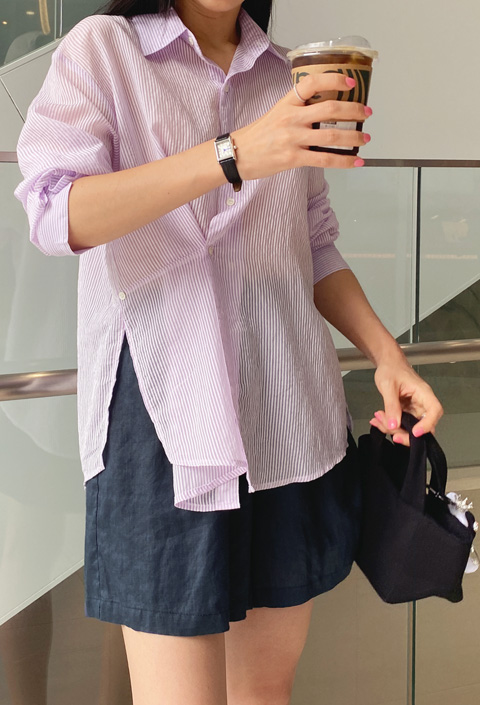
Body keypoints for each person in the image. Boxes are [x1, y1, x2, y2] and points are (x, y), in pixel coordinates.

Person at [14, 1, 443, 703]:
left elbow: (314, 243)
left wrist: (387, 355)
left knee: (265, 690)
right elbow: (56, 213)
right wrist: (233, 153)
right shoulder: (107, 49)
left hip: (287, 420)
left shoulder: (285, 75)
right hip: (165, 426)